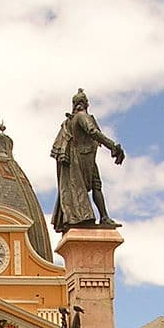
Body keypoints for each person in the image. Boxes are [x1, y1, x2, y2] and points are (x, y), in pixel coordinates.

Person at [49, 88, 125, 232]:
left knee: (95, 186)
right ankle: (101, 217)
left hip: (84, 158)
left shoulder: (70, 120)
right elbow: (93, 132)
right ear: (86, 104)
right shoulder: (82, 117)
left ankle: (104, 216)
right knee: (95, 186)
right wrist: (113, 146)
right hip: (81, 159)